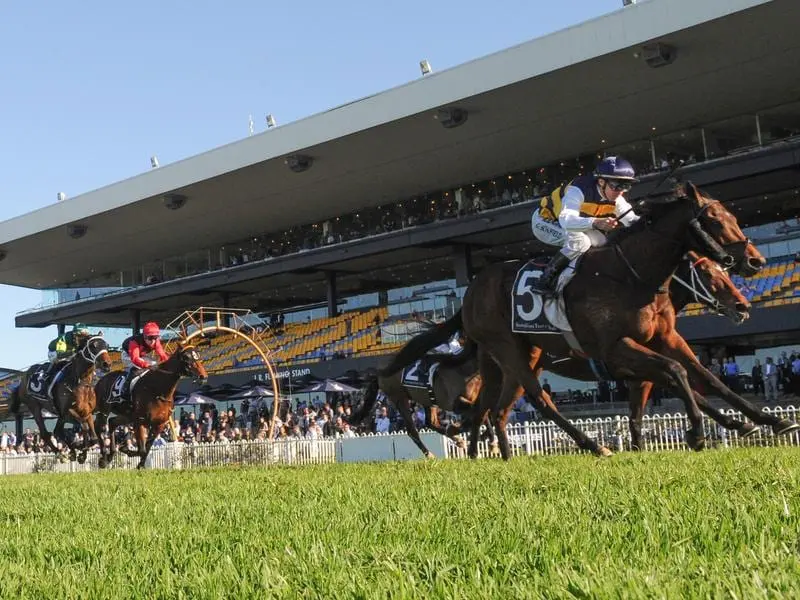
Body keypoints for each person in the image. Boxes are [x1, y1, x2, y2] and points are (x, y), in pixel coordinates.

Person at [529, 156, 640, 295]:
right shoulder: (577, 190)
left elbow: (632, 220)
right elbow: (566, 221)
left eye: (626, 186)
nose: (621, 192)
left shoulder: (617, 199)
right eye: (617, 186)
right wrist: (595, 222)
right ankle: (545, 280)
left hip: (575, 224)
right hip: (545, 221)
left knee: (603, 243)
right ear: (601, 182)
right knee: (581, 242)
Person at [119, 322, 169, 398]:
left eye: (155, 337)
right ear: (145, 336)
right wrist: (147, 365)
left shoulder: (156, 341)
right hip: (128, 356)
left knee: (156, 364)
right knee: (138, 368)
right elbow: (135, 359)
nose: (153, 341)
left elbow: (163, 355)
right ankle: (125, 389)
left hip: (141, 355)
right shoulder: (135, 342)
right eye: (150, 338)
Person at [45, 324, 92, 397]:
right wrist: (74, 352)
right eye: (79, 337)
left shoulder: (82, 340)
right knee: (63, 361)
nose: (82, 339)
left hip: (70, 351)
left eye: (84, 337)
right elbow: (60, 355)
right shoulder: (64, 339)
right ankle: (48, 374)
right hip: (55, 352)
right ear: (74, 335)